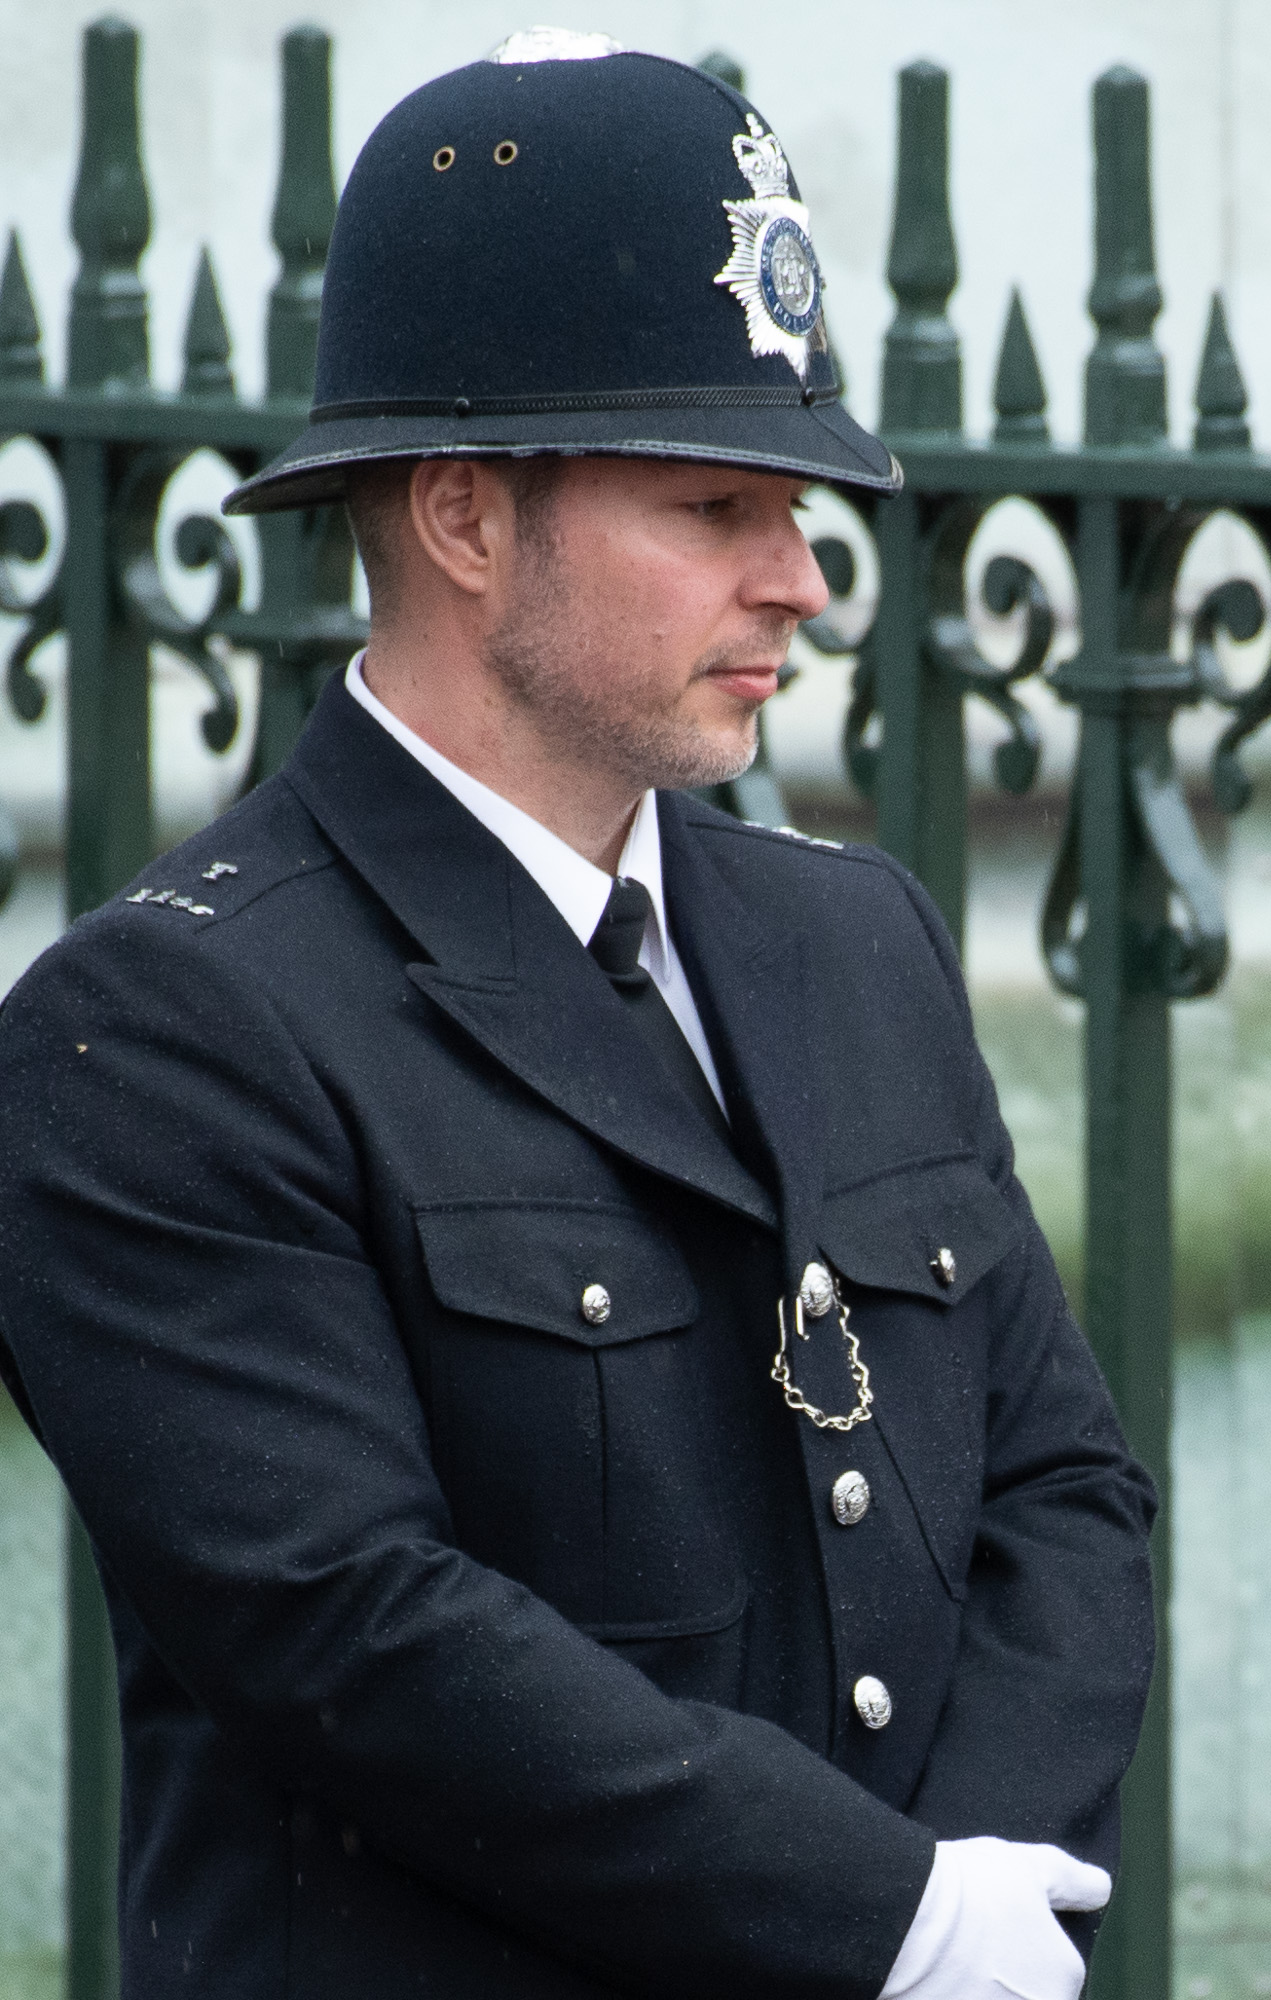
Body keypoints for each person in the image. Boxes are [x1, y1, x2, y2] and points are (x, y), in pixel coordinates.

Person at [0, 39, 1154, 1999]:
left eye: (796, 505)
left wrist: (985, 1895)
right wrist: (879, 1921)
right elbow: (362, 1633)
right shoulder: (163, 1026)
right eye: (713, 503)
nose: (799, 578)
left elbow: (1064, 1486)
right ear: (462, 517)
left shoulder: (847, 937)